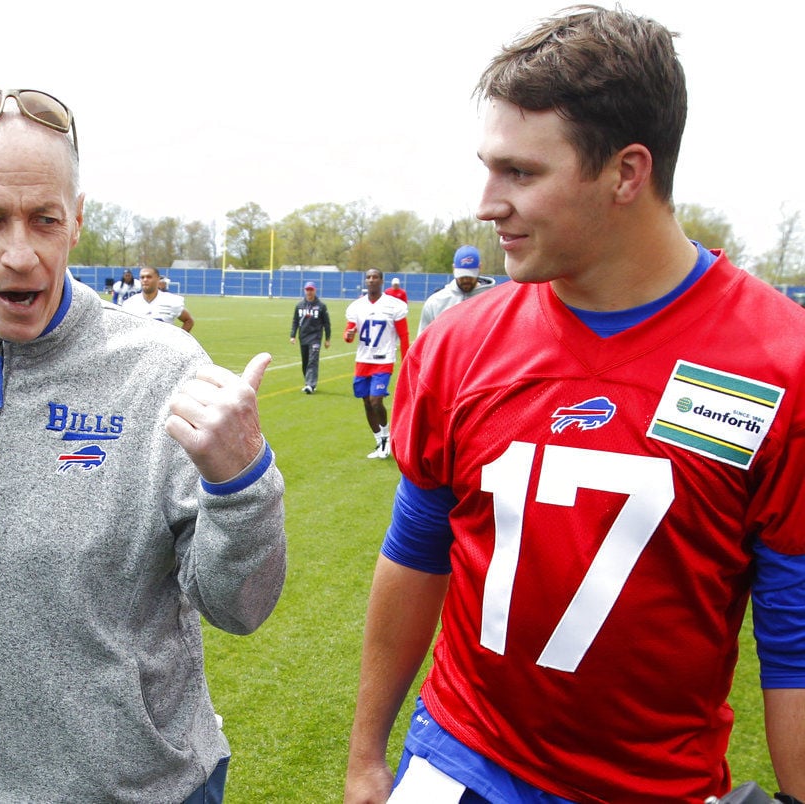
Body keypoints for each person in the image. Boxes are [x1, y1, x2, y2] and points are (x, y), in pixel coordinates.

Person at [345, 7, 805, 804]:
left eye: (520, 173)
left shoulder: (779, 362)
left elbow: (795, 634)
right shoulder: (461, 343)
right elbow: (416, 551)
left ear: (627, 172)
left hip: (648, 788)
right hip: (458, 758)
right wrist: (365, 759)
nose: (486, 204)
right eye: (488, 168)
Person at [0, 89, 286, 804]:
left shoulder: (162, 367)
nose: (21, 254)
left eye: (45, 219)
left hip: (148, 790)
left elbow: (239, 608)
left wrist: (241, 486)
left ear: (77, 220)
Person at [344, 268, 410, 459]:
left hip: (384, 359)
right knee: (366, 402)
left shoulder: (393, 305)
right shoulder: (356, 306)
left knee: (376, 399)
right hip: (363, 360)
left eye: (375, 277)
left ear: (382, 281)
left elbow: (403, 335)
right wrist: (348, 335)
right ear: (365, 281)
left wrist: (406, 360)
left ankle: (387, 436)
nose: (371, 280)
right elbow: (349, 333)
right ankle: (379, 440)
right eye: (368, 277)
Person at [416, 244, 496, 334]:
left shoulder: (494, 301)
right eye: (462, 276)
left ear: (480, 268)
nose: (466, 280)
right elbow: (423, 342)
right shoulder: (435, 303)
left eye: (470, 276)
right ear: (453, 268)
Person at [122, 265, 194, 331]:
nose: (145, 280)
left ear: (158, 279)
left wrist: (177, 341)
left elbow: (188, 321)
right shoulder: (129, 304)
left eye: (149, 277)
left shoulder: (171, 301)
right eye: (142, 277)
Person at [289, 281, 331, 394]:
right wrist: (292, 335)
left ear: (315, 290)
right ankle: (308, 383)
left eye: (311, 289)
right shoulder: (299, 305)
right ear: (304, 290)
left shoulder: (321, 306)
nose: (309, 292)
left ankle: (310, 385)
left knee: (313, 361)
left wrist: (327, 339)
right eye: (307, 290)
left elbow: (326, 323)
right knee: (305, 362)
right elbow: (295, 321)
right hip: (303, 337)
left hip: (315, 337)